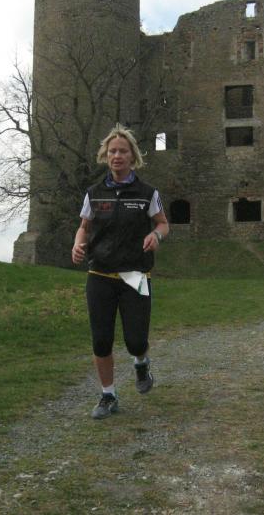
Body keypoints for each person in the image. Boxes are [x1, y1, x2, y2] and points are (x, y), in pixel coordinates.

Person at [71, 124, 169, 420]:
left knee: (135, 341)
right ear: (106, 155)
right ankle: (108, 395)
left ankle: (141, 363)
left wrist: (156, 235)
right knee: (101, 341)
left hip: (135, 276)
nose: (117, 156)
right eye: (112, 151)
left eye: (123, 151)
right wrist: (77, 244)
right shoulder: (94, 193)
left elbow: (163, 223)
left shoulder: (147, 193)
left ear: (132, 156)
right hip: (100, 275)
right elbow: (84, 227)